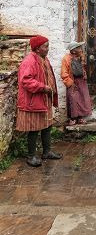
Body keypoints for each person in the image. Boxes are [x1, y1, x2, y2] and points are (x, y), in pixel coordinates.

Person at [16, 35, 63, 167]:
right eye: (45, 46)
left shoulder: (43, 59)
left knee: (47, 126)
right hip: (34, 100)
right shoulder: (29, 61)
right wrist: (43, 87)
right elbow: (25, 80)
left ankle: (46, 152)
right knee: (34, 129)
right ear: (37, 48)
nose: (48, 49)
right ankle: (31, 156)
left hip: (44, 100)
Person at [61, 41, 92, 126]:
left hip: (81, 81)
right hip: (72, 81)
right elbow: (64, 74)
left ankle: (80, 117)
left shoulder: (81, 57)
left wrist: (84, 74)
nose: (80, 49)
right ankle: (73, 118)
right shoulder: (66, 59)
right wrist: (70, 83)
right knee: (73, 99)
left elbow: (83, 69)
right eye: (78, 48)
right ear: (73, 50)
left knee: (82, 99)